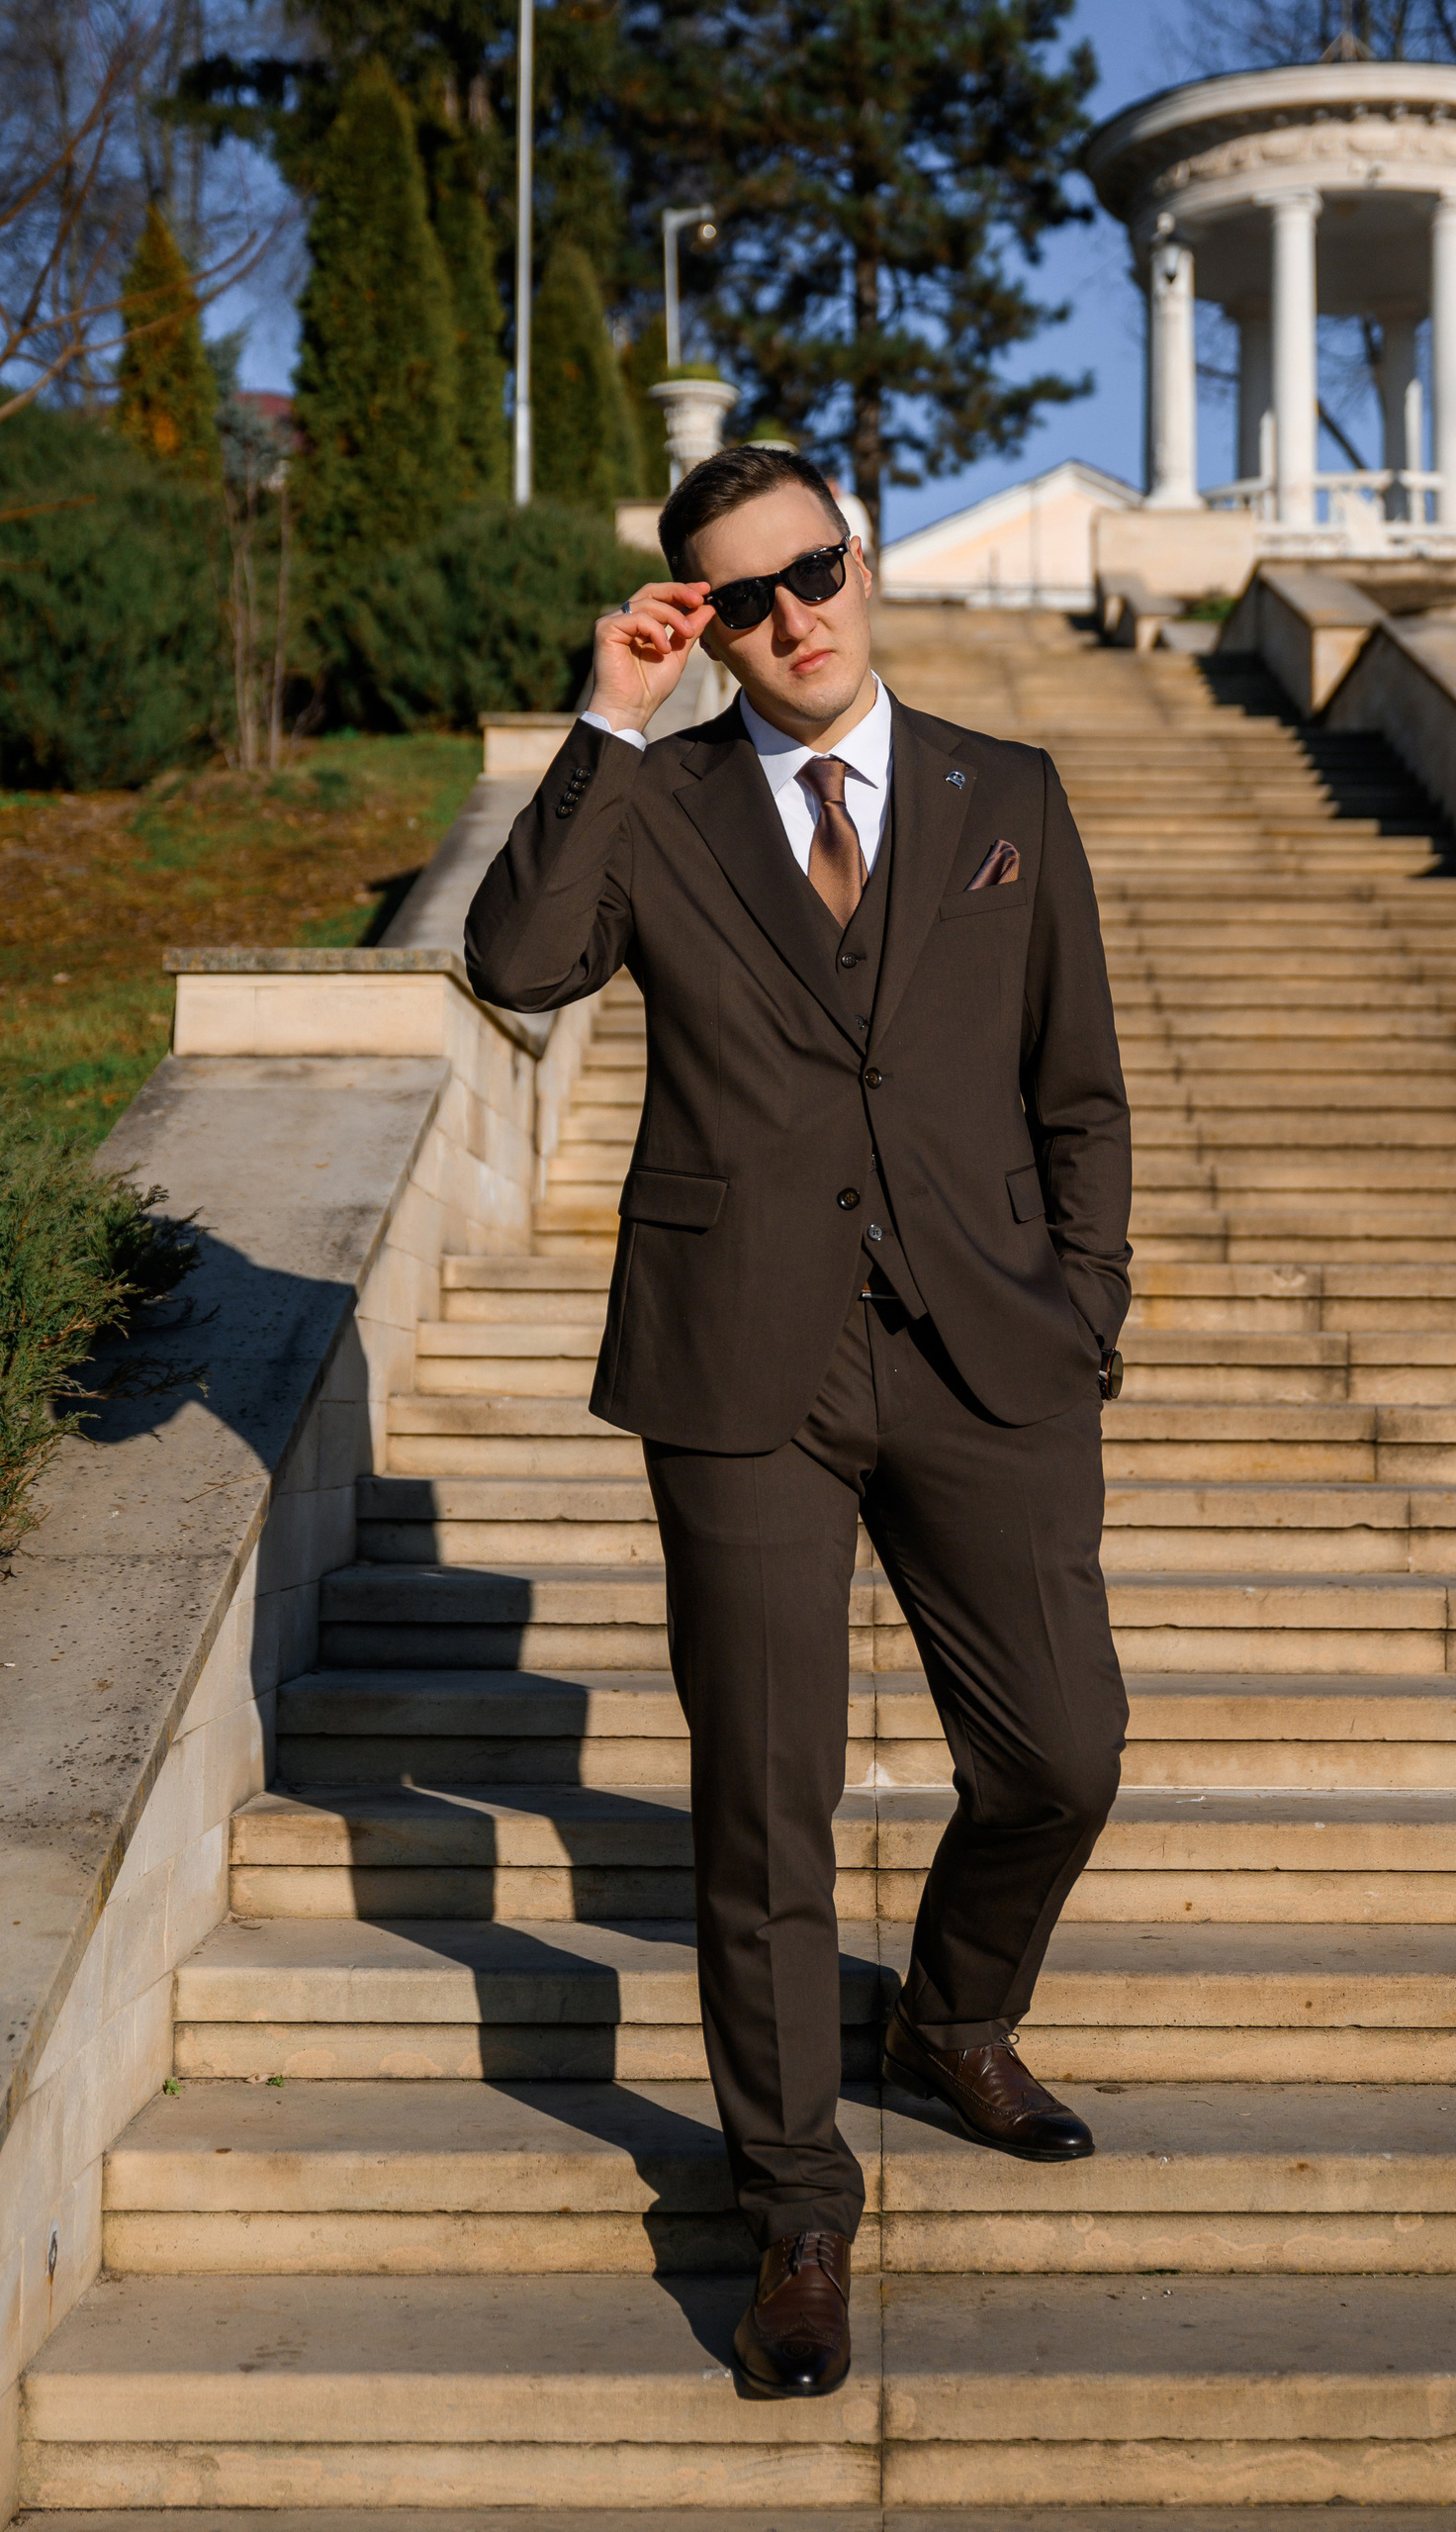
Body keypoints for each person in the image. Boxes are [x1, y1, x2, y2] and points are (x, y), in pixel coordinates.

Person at [465, 444, 1132, 2400]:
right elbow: (516, 965)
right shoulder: (659, 798)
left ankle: (954, 2016)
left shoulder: (1005, 793)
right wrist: (610, 717)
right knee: (767, 1803)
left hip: (985, 1348)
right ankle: (796, 2210)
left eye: (813, 572)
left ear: (866, 558)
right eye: (741, 601)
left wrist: (1084, 1310)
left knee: (1063, 1753)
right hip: (740, 1361)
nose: (790, 621)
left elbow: (1078, 1087)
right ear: (705, 623)